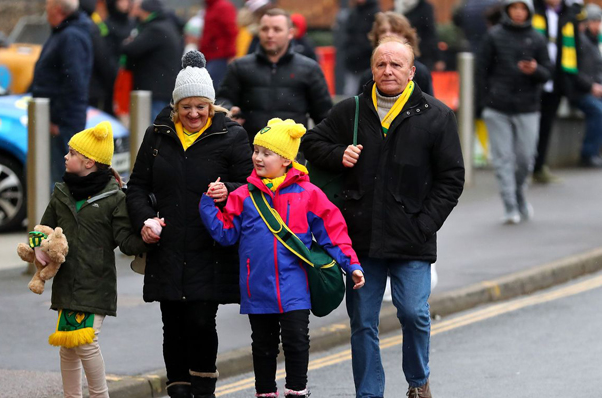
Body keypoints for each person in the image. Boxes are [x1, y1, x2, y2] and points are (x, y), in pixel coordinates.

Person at [302, 36, 465, 398]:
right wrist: (338, 153)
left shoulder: (437, 116)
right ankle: (369, 394)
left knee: (413, 313)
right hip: (360, 238)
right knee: (362, 322)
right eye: (381, 64)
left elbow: (452, 178)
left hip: (412, 237)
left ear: (411, 71)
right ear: (372, 69)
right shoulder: (352, 110)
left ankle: (418, 381)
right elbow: (311, 143)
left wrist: (425, 223)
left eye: (396, 65)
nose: (388, 70)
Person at [198, 118, 366, 398]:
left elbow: (333, 233)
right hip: (257, 287)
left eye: (266, 153)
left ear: (287, 159)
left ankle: (297, 391)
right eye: (256, 151)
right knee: (262, 345)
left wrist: (352, 265)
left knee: (296, 341)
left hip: (294, 286)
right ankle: (264, 393)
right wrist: (208, 204)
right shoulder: (243, 195)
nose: (258, 158)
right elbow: (226, 234)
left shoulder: (309, 194)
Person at [125, 51, 253, 398]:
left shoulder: (232, 136)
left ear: (211, 106)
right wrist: (144, 222)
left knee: (200, 320)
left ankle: (203, 389)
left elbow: (251, 186)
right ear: (175, 107)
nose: (193, 114)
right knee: (173, 324)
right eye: (186, 107)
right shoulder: (157, 135)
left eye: (201, 107)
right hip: (166, 245)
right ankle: (178, 389)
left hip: (208, 246)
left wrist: (230, 190)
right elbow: (137, 187)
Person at [39, 122, 146, 398]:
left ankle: (100, 395)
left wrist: (147, 238)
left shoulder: (114, 198)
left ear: (88, 162)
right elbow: (43, 230)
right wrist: (37, 245)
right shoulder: (61, 193)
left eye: (72, 153)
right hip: (66, 283)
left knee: (86, 343)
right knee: (68, 346)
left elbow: (124, 240)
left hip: (96, 283)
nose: (66, 156)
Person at [477, 0, 553, 224]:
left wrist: (535, 70)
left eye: (523, 8)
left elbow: (548, 72)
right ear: (507, 10)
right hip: (497, 107)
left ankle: (519, 193)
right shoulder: (493, 36)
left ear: (528, 11)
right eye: (514, 8)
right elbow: (481, 71)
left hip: (528, 106)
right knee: (502, 159)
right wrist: (484, 102)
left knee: (525, 158)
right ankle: (510, 205)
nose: (518, 13)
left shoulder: (537, 38)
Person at [217, 8, 332, 142]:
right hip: (248, 152)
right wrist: (229, 111)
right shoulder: (240, 67)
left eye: (277, 29)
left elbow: (324, 116)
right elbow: (222, 101)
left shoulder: (309, 69)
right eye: (265, 29)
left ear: (290, 33)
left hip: (292, 155)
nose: (270, 35)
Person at [30, 0, 93, 185]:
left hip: (62, 124)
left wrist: (58, 121)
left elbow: (74, 83)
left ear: (57, 10)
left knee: (62, 181)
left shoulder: (70, 36)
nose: (45, 11)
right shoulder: (65, 34)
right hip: (57, 120)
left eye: (47, 7)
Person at [531, 0, 584, 183]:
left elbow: (576, 48)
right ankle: (526, 165)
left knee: (546, 125)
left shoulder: (570, 16)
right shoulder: (533, 11)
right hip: (534, 79)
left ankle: (539, 166)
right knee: (529, 124)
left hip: (558, 79)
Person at [122, 0, 182, 121]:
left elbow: (131, 48)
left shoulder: (155, 29)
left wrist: (127, 42)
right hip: (162, 89)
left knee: (154, 129)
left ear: (146, 12)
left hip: (155, 92)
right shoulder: (167, 25)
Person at [359, 11, 434, 96]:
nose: (388, 35)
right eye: (383, 31)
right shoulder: (368, 76)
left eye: (394, 31)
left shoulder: (421, 73)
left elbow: (429, 105)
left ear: (406, 37)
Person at [568, 10, 602, 168]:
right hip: (579, 91)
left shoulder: (596, 42)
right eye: (595, 21)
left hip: (594, 89)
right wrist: (591, 87)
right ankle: (588, 154)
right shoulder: (580, 41)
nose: (598, 25)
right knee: (598, 111)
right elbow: (573, 71)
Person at [80, 0, 118, 115]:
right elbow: (103, 60)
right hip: (94, 90)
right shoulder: (93, 27)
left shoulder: (71, 26)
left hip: (84, 89)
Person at [342, 0, 380, 96]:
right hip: (353, 62)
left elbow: (374, 39)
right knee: (350, 96)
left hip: (368, 63)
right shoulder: (353, 12)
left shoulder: (374, 13)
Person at [200, 0, 238, 91]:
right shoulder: (211, 7)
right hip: (210, 56)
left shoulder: (223, 7)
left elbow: (231, 31)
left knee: (211, 88)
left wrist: (231, 54)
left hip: (220, 56)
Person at [396, 0, 444, 72]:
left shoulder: (425, 7)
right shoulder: (396, 7)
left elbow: (430, 32)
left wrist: (437, 58)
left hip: (422, 55)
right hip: (399, 53)